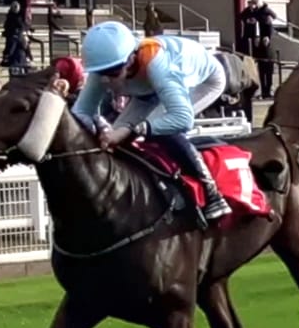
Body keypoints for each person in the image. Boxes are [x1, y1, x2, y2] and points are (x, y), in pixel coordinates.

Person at [73, 21, 234, 222]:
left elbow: (182, 118)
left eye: (113, 73)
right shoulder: (108, 65)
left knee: (162, 128)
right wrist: (103, 128)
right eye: (100, 73)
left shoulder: (157, 64)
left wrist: (132, 129)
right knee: (115, 144)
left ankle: (213, 194)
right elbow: (80, 113)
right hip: (147, 92)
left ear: (131, 60)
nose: (106, 81)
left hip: (204, 81)